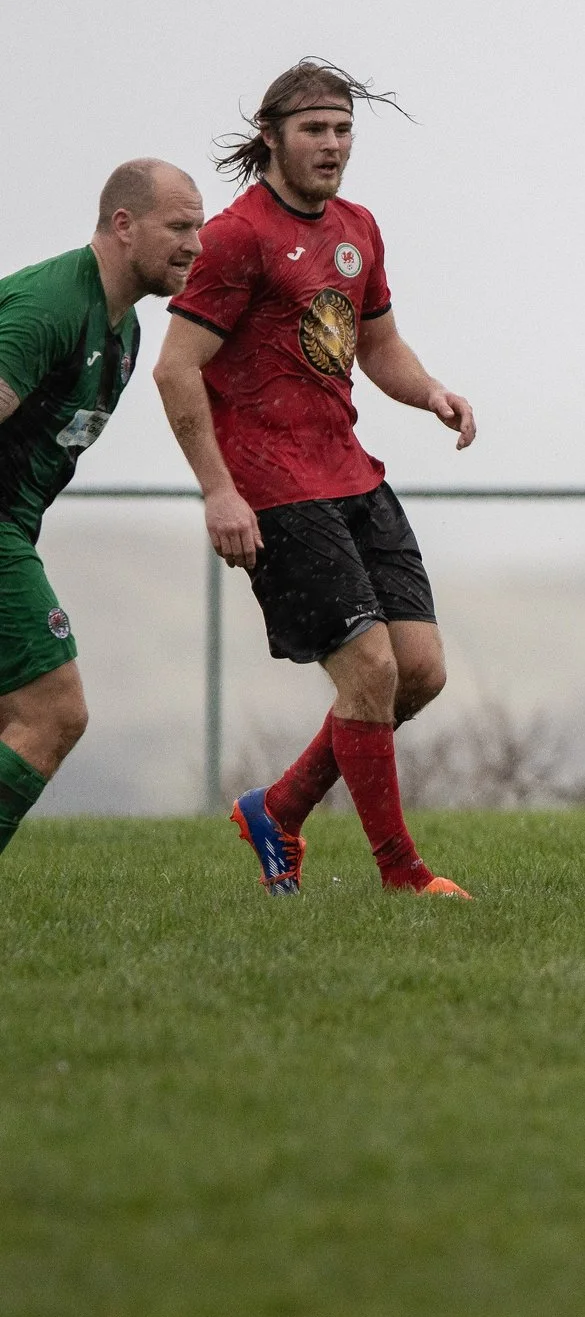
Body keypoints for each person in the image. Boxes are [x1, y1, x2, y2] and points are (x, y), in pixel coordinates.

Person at [154, 60, 476, 899]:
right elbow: (175, 369)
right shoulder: (235, 237)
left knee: (420, 670)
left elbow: (377, 348)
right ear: (271, 136)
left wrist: (432, 390)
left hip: (351, 473)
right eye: (314, 130)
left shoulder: (359, 227)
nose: (332, 145)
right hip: (273, 485)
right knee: (369, 669)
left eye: (342, 130)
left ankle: (279, 809)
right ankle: (403, 877)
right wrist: (219, 491)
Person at [0, 162, 204, 854]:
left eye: (198, 228)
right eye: (180, 226)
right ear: (124, 225)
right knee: (52, 713)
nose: (196, 245)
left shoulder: (125, 332)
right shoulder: (52, 305)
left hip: (15, 529)